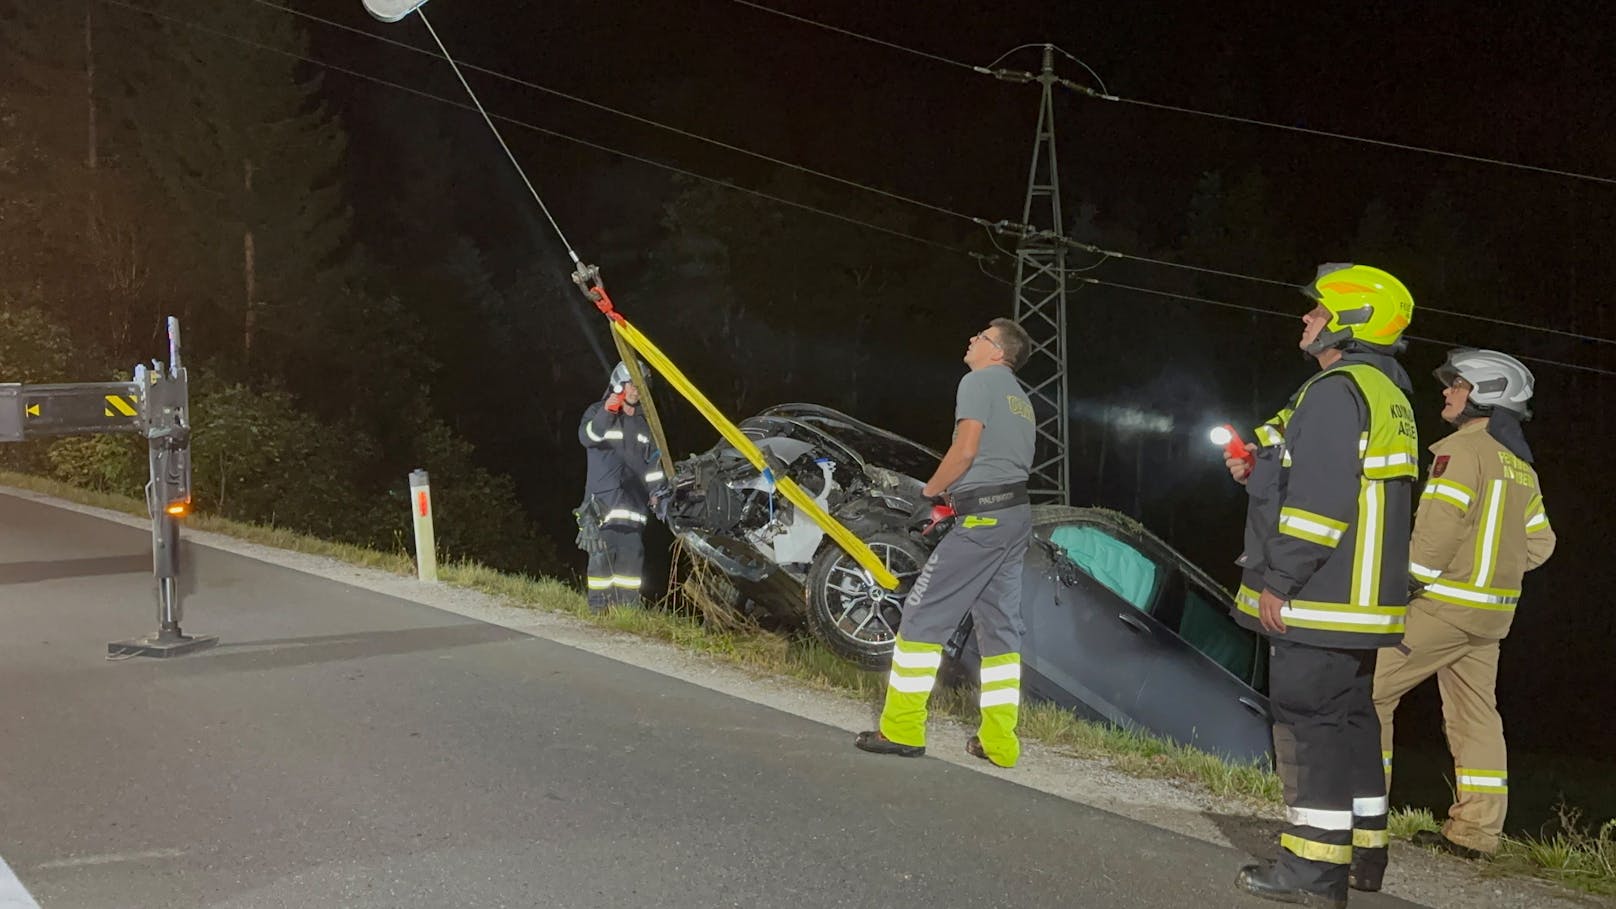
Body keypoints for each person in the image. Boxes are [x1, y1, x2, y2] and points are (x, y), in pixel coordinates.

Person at [1226, 264, 1420, 907]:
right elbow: (1297, 461)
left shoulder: (1337, 390)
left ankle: (1311, 872)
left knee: (1308, 729)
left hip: (1324, 595)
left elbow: (1319, 504)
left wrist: (1281, 581)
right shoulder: (1388, 390)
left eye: (1316, 312)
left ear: (1349, 321)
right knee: (1350, 724)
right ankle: (1365, 855)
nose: (1305, 320)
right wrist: (1257, 464)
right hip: (1362, 602)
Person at [1371, 349, 1555, 862]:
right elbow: (1541, 545)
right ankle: (1474, 835)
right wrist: (1491, 573)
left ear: (1485, 394)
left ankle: (1360, 810)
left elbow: (1437, 531)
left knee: (1366, 694)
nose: (1448, 393)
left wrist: (1406, 582)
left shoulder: (1460, 451)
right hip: (1491, 619)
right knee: (1477, 718)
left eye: (1456, 385)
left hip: (1441, 610)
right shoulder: (1522, 469)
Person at [853, 317, 1036, 768]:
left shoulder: (979, 382)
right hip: (1014, 517)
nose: (971, 338)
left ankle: (902, 729)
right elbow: (998, 465)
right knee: (1000, 630)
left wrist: (929, 494)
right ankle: (1000, 741)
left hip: (985, 522)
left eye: (981, 336)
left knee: (923, 613)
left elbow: (966, 451)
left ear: (998, 351)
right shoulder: (1021, 400)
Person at [575, 360, 663, 611]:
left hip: (633, 509)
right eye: (631, 385)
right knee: (601, 563)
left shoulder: (647, 424)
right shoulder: (597, 412)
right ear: (618, 385)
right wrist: (608, 411)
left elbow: (654, 467)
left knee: (631, 566)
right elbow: (587, 438)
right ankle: (598, 611)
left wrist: (658, 494)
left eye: (641, 386)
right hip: (601, 509)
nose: (636, 390)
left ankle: (627, 614)